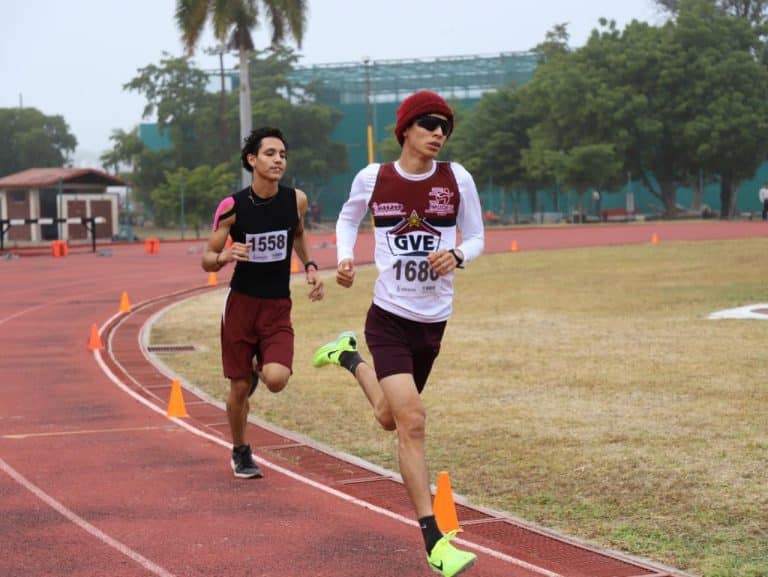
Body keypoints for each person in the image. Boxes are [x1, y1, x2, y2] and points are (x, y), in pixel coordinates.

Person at [312, 91, 484, 577]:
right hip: (387, 317)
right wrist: (344, 257)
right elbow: (348, 218)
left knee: (390, 417)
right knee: (413, 422)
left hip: (433, 323)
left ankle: (347, 356)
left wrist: (458, 255)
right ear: (406, 129)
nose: (438, 134)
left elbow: (476, 236)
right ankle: (434, 541)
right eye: (429, 124)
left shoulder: (456, 179)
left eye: (445, 127)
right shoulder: (374, 177)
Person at [202, 126, 324, 479]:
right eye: (270, 153)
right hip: (241, 306)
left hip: (276, 306)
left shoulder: (295, 201)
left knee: (276, 378)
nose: (278, 160)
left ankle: (260, 366)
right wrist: (225, 256)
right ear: (252, 160)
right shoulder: (232, 207)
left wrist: (310, 266)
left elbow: (298, 233)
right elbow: (207, 258)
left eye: (283, 155)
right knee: (239, 388)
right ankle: (241, 451)